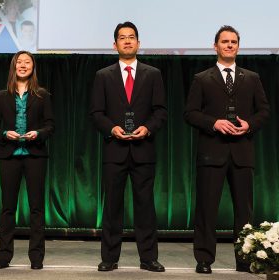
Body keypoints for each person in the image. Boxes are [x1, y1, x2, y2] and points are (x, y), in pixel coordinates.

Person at [184, 25, 270, 274]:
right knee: (206, 209)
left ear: (238, 46)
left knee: (244, 210)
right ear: (215, 46)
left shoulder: (252, 78)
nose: (229, 45)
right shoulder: (202, 78)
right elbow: (190, 113)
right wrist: (214, 123)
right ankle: (203, 259)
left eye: (233, 42)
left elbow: (264, 111)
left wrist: (249, 124)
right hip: (212, 153)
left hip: (242, 154)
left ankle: (244, 259)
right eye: (225, 41)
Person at [90, 21, 167, 272]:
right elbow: (96, 113)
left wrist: (148, 128)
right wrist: (111, 128)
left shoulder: (153, 74)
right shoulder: (103, 76)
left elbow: (160, 111)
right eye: (122, 38)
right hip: (115, 150)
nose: (127, 41)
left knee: (145, 206)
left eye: (131, 37)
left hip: (144, 150)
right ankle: (109, 258)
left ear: (138, 43)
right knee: (112, 206)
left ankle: (148, 258)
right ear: (114, 45)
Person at [0, 50, 54, 270]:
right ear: (14, 67)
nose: (23, 65)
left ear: (33, 67)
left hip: (35, 155)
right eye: (19, 62)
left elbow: (50, 125)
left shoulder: (42, 95)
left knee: (36, 208)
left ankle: (36, 258)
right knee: (8, 208)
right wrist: (5, 134)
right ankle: (4, 256)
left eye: (27, 62)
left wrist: (38, 134)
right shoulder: (1, 95)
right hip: (9, 155)